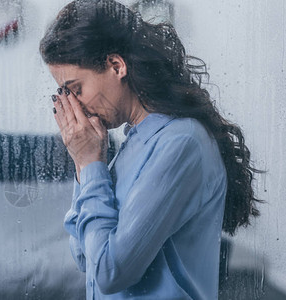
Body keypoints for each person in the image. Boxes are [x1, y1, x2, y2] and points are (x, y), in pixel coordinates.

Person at [39, 0, 264, 299]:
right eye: (66, 94)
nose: (75, 105)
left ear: (116, 66)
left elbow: (110, 273)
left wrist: (91, 164)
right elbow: (84, 256)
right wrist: (84, 167)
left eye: (77, 89)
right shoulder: (132, 142)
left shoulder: (182, 143)